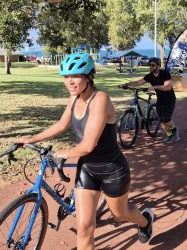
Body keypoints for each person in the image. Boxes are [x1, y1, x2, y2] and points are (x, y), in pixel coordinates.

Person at [14, 53, 154, 249]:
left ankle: (145, 221)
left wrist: (62, 153)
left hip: (112, 170)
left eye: (76, 76)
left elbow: (88, 145)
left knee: (120, 215)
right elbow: (61, 125)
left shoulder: (100, 99)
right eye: (66, 77)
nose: (70, 81)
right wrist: (31, 139)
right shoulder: (74, 99)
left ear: (89, 77)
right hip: (87, 169)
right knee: (85, 226)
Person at [120, 57, 180, 143]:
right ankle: (170, 135)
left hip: (169, 100)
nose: (151, 67)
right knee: (161, 119)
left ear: (158, 66)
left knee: (166, 118)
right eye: (150, 65)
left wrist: (154, 87)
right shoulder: (149, 76)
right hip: (160, 100)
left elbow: (168, 87)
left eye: (153, 65)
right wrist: (126, 84)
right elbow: (138, 83)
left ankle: (174, 130)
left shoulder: (165, 74)